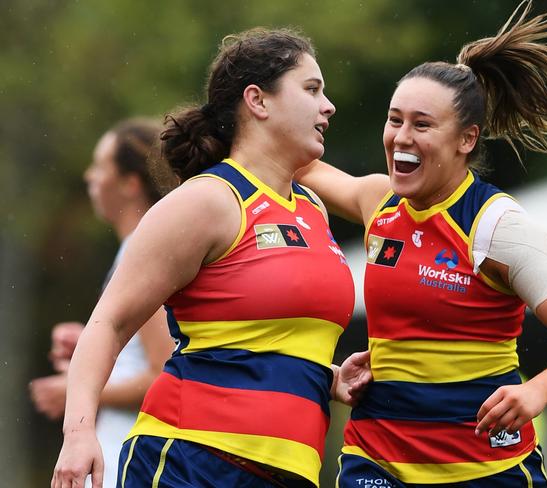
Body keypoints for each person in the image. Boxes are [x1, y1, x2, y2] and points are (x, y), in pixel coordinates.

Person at [296, 2, 547, 486]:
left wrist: (539, 391)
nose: (401, 137)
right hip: (375, 461)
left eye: (422, 125)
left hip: (486, 470)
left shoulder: (497, 226)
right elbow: (297, 163)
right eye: (394, 119)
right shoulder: (379, 202)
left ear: (466, 139)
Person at [51, 28, 371, 488]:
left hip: (289, 474)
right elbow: (109, 323)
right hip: (192, 462)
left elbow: (264, 341)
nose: (329, 106)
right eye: (312, 89)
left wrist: (327, 378)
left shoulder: (312, 209)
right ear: (258, 101)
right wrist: (78, 434)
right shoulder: (208, 201)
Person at [30, 118, 175, 488]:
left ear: (129, 183)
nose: (89, 177)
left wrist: (77, 390)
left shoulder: (142, 253)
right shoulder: (138, 249)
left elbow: (163, 374)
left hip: (128, 459)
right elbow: (145, 353)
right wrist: (90, 346)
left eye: (100, 166)